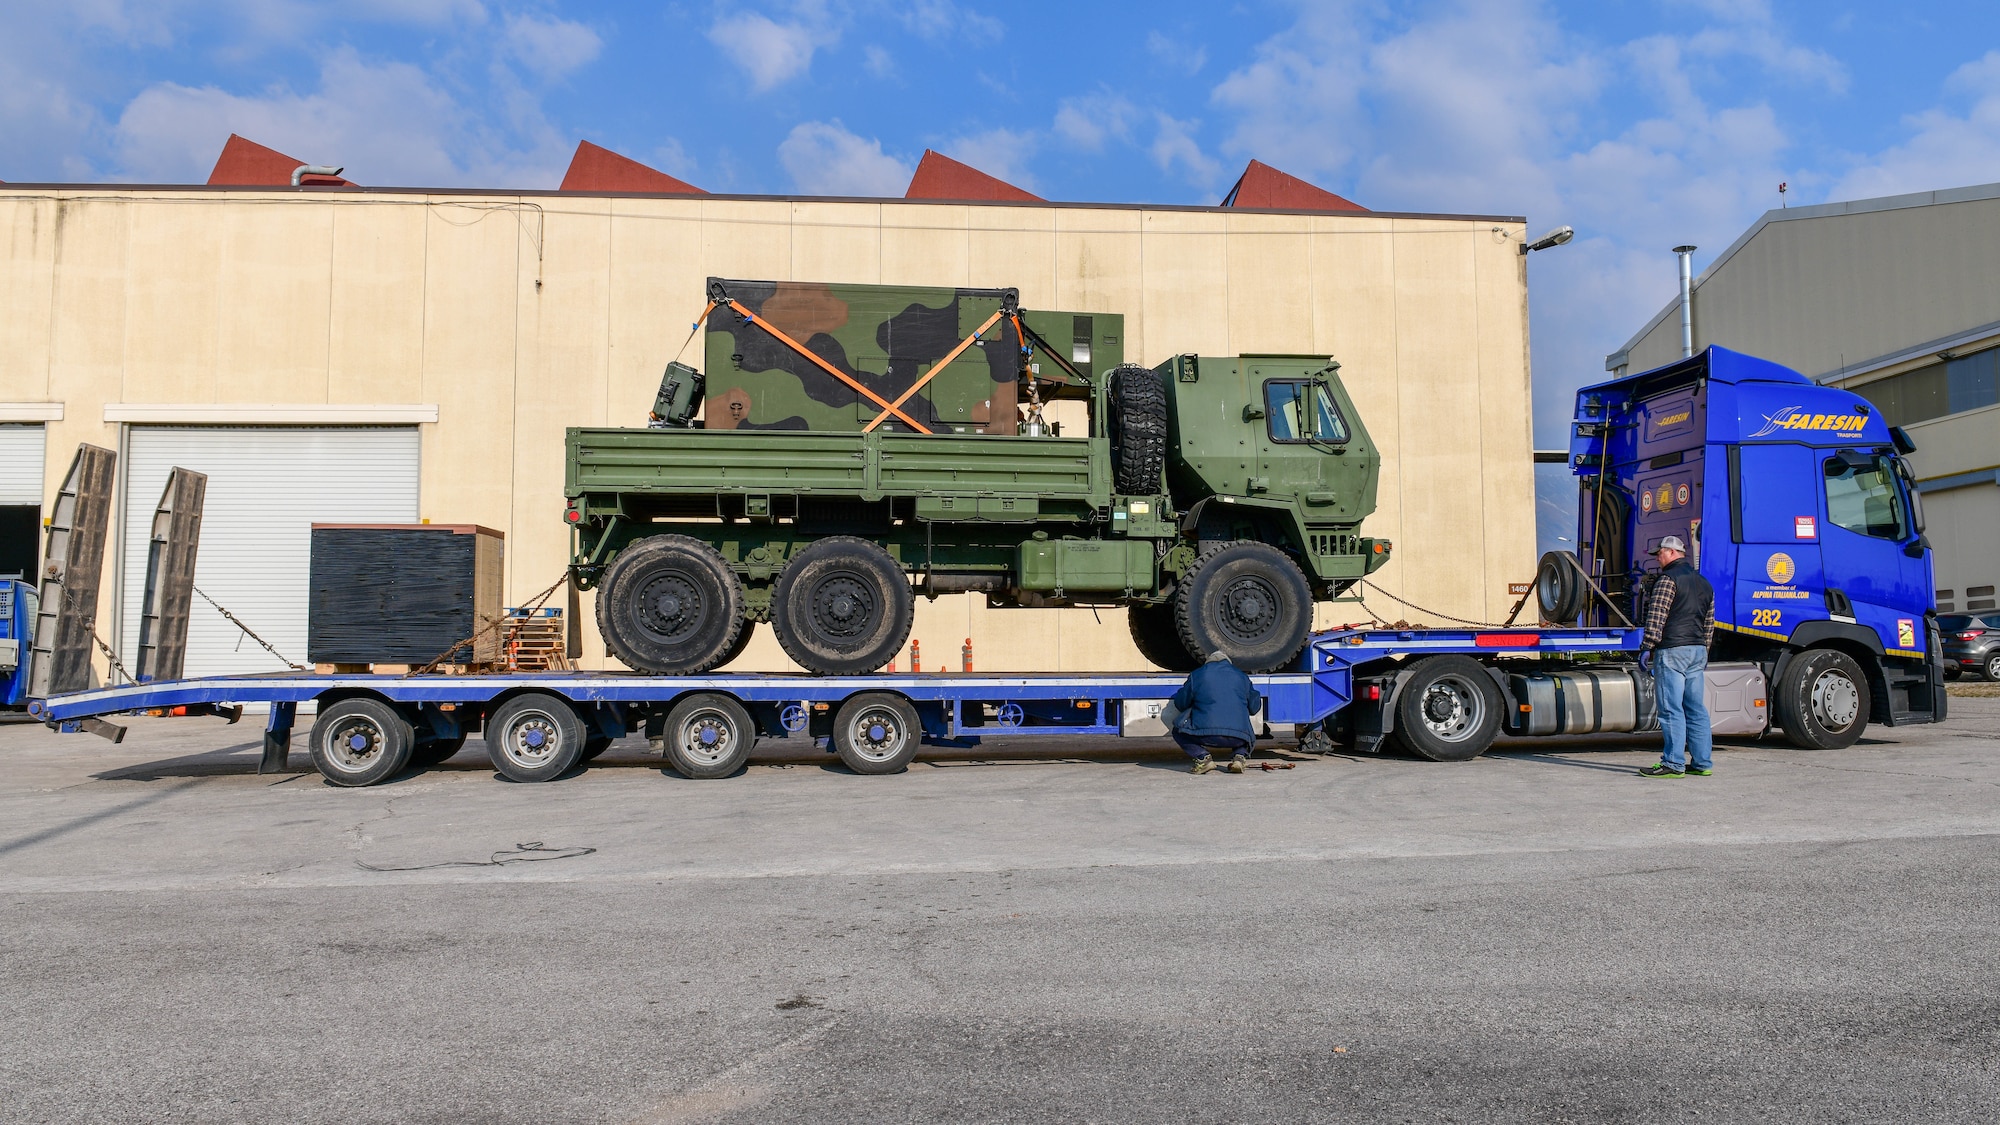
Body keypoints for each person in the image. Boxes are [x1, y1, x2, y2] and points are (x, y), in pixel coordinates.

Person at [1636, 534, 1717, 778]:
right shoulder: (1705, 583)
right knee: (1696, 708)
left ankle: (1673, 763)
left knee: (1671, 709)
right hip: (1697, 650)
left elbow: (1657, 616)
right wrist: (1703, 650)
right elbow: (1709, 623)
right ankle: (1702, 763)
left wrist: (1647, 646)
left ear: (1671, 552)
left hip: (1672, 650)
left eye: (1659, 553)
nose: (1657, 558)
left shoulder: (1667, 580)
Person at [1164, 650, 1262, 774]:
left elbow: (1181, 703)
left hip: (1204, 735)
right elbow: (1254, 707)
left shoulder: (1198, 674)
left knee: (1178, 731)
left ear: (1208, 663)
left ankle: (1203, 758)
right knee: (1245, 733)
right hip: (1238, 738)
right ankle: (1239, 756)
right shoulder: (1242, 677)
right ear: (1228, 663)